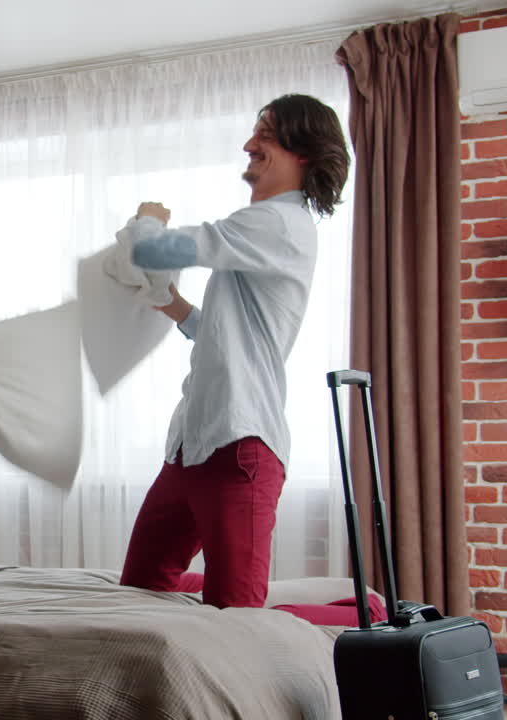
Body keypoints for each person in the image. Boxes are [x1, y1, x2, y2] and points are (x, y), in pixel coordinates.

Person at [118, 94, 352, 614]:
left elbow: (153, 249)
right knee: (143, 586)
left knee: (239, 617)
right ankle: (241, 599)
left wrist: (148, 219)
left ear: (303, 152)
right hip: (191, 446)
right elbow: (230, 335)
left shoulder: (279, 223)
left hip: (240, 448)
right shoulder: (262, 229)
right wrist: (177, 308)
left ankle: (355, 615)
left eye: (265, 134)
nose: (249, 144)